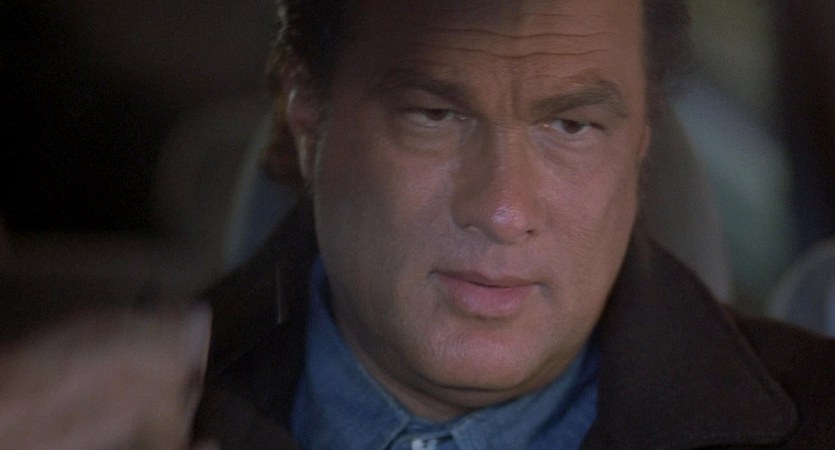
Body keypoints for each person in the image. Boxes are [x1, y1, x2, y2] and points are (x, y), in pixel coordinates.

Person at [1, 0, 834, 448]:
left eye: (570, 126)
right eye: (434, 115)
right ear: (307, 115)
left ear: (640, 142)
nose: (503, 210)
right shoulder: (76, 420)